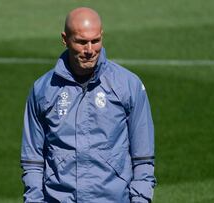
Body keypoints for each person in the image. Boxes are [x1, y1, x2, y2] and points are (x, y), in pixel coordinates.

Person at [20, 7, 156, 203]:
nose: (90, 50)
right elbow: (32, 160)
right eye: (82, 42)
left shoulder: (128, 85)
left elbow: (143, 158)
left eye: (96, 41)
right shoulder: (43, 90)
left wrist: (141, 199)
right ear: (65, 39)